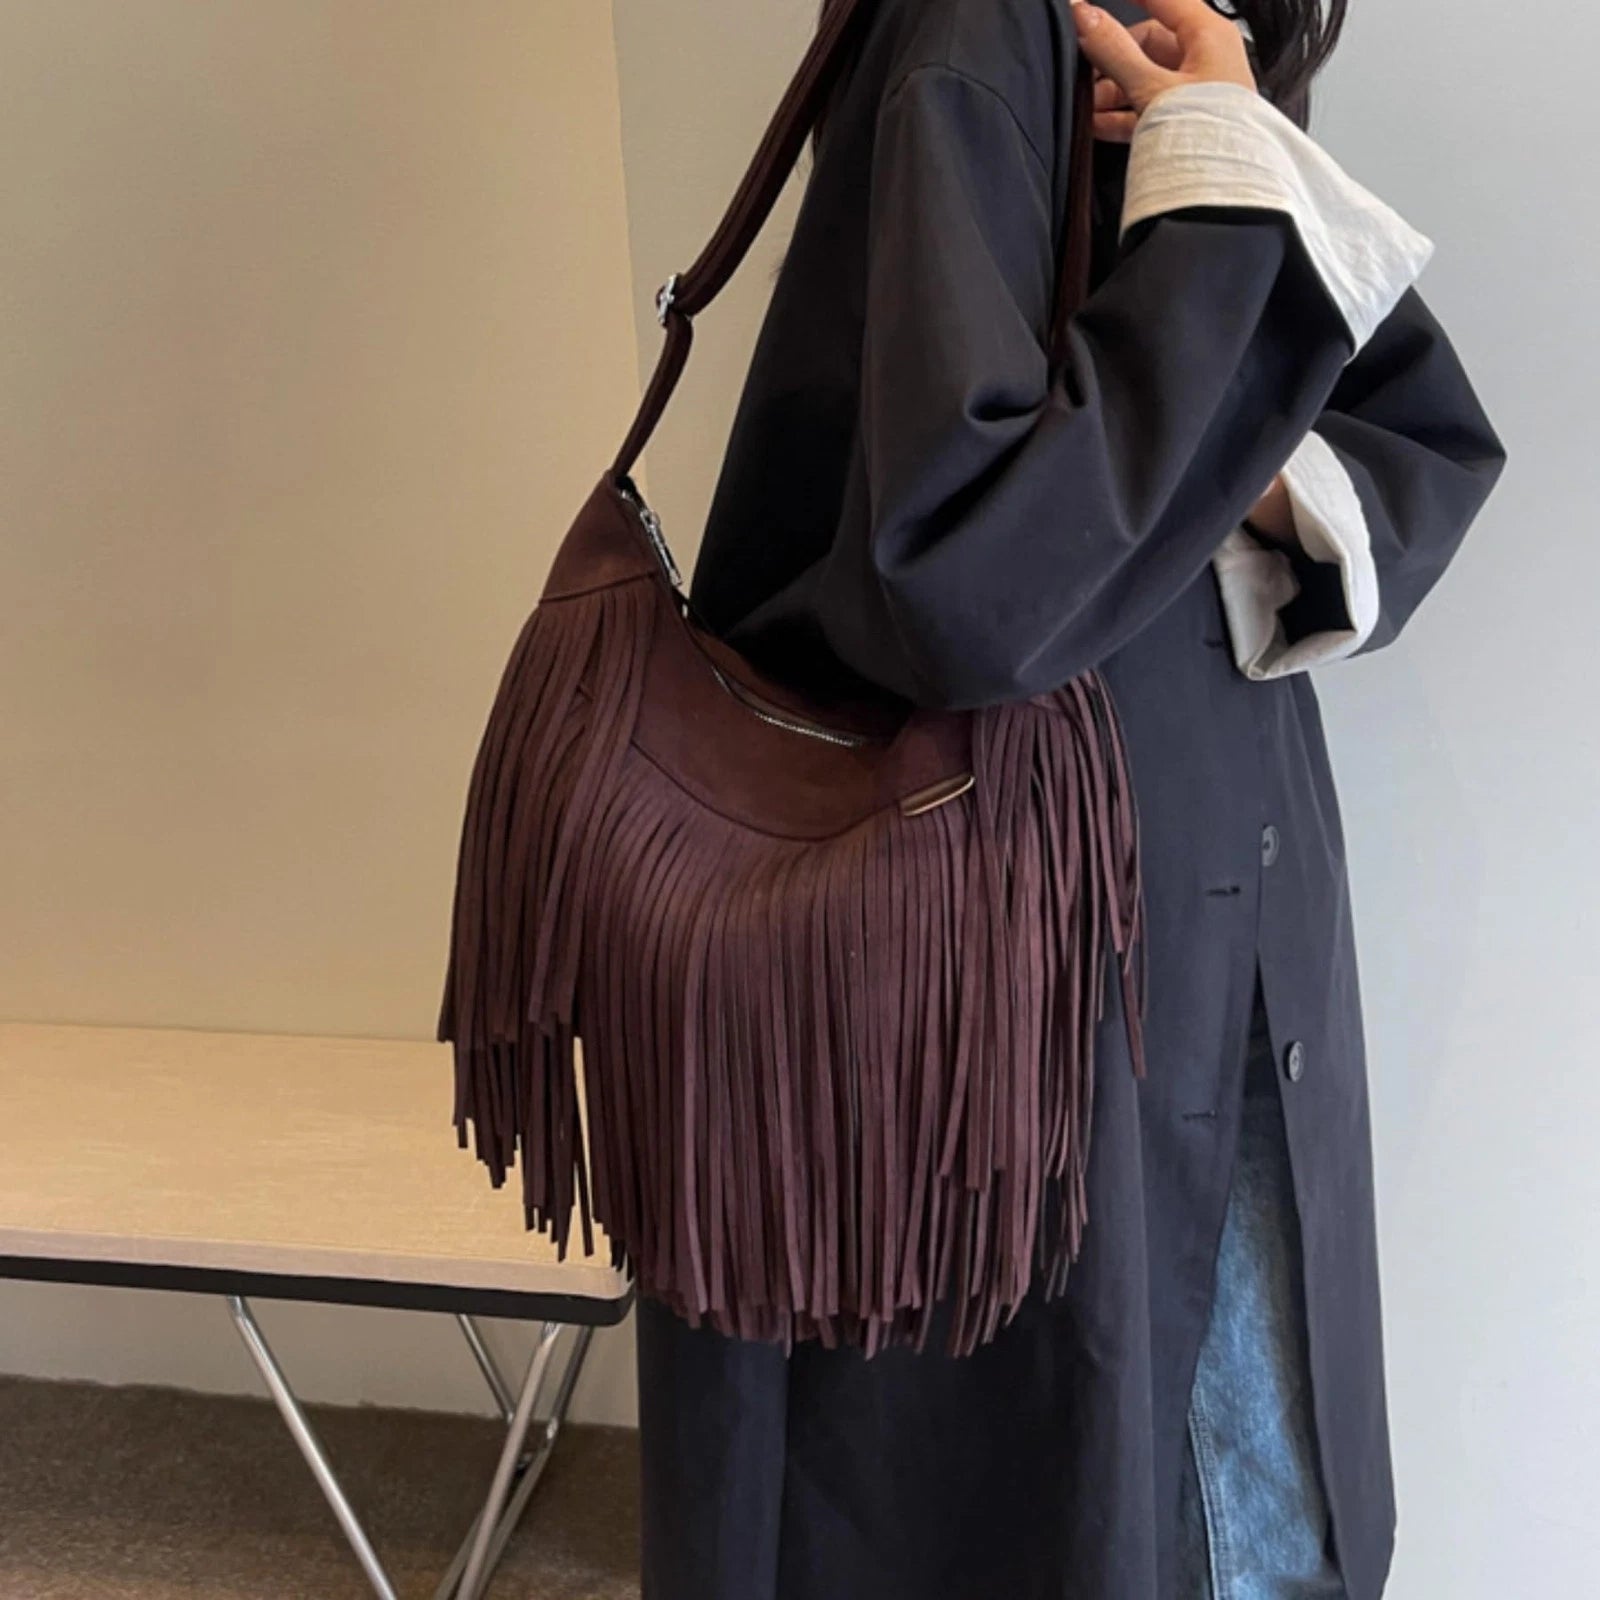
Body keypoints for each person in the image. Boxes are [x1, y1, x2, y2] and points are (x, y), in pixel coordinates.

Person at [633, 1, 1507, 1596]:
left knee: (1240, 1500)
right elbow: (970, 574)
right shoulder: (978, 27)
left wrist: (1226, 185)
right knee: (1091, 1496)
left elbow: (1416, 440)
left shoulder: (1184, 39)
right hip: (1033, 934)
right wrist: (1222, 216)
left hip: (1196, 887)